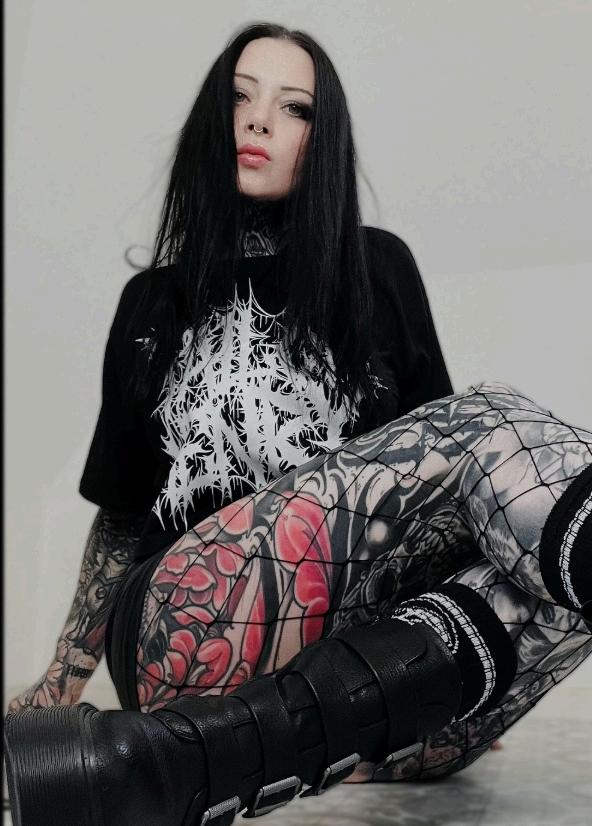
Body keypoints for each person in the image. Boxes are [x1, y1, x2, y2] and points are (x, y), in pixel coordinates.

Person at [4, 22, 591, 826]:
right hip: (186, 632)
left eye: (295, 108)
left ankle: (173, 763)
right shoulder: (153, 304)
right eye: (239, 99)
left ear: (325, 139)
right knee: (492, 424)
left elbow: (455, 510)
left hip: (369, 677)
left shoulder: (379, 268)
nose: (258, 120)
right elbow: (122, 514)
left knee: (551, 580)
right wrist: (58, 684)